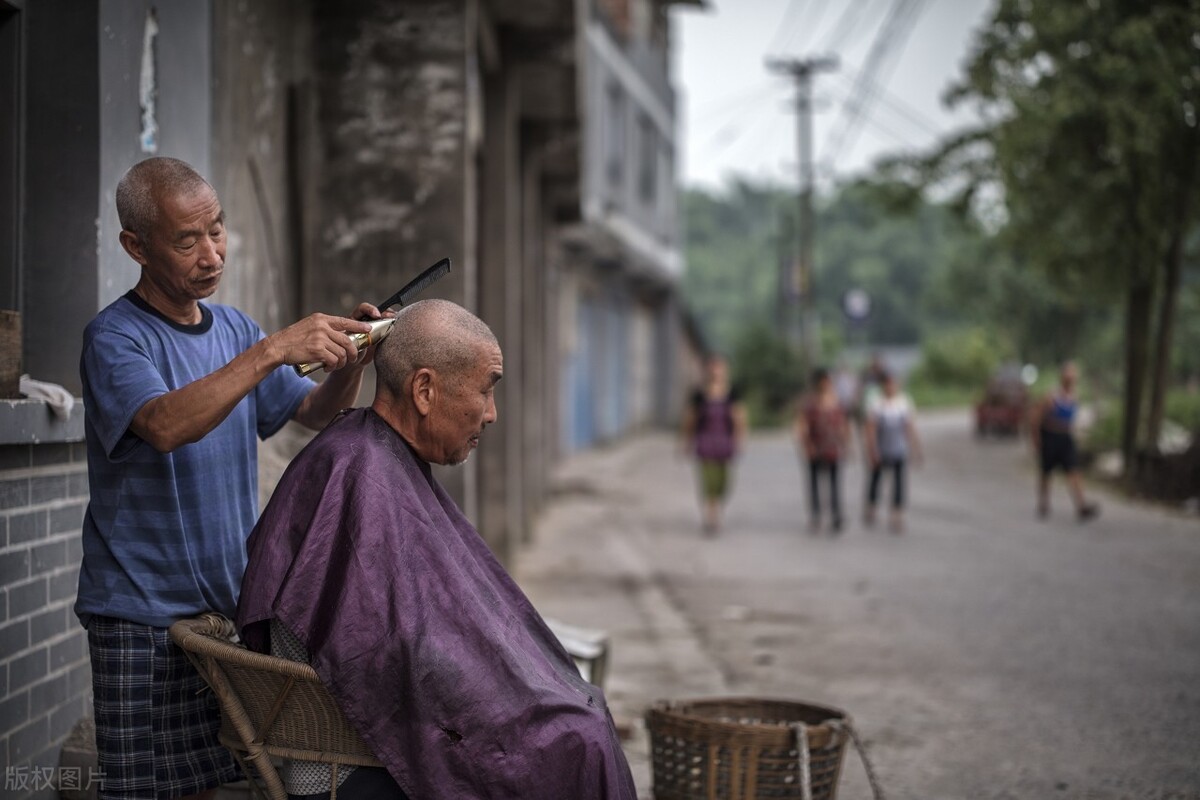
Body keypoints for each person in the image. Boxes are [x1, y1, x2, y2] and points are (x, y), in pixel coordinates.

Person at [236, 300, 638, 800]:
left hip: (373, 721)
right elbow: (388, 648)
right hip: (348, 758)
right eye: (487, 389)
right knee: (576, 742)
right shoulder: (355, 470)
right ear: (424, 390)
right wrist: (509, 695)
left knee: (578, 713)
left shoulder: (373, 455)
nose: (491, 415)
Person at [77, 156, 386, 800]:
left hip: (225, 612)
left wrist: (351, 360)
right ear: (136, 246)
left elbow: (308, 413)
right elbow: (164, 424)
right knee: (141, 790)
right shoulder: (115, 337)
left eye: (216, 230)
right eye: (187, 241)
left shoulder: (236, 330)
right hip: (139, 614)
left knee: (215, 786)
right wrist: (272, 349)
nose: (212, 254)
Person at [680, 355, 747, 534]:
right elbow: (690, 420)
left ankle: (716, 506)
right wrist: (686, 441)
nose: (716, 372)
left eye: (720, 368)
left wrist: (739, 439)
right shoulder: (699, 395)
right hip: (705, 442)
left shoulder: (732, 394)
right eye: (713, 368)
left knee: (723, 483)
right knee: (708, 481)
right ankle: (712, 517)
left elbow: (739, 418)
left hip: (724, 443)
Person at [1031, 361, 1099, 521]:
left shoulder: (1074, 396)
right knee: (1046, 472)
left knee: (1073, 470)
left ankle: (1081, 505)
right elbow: (1036, 419)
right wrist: (1036, 440)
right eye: (1068, 374)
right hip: (1050, 436)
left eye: (1073, 374)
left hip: (1066, 438)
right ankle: (1043, 503)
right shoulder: (1051, 397)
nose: (1071, 377)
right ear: (1062, 377)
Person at [863, 372, 923, 533]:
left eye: (893, 384)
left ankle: (896, 514)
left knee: (899, 483)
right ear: (884, 386)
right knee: (876, 479)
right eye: (888, 384)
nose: (891, 387)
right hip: (881, 448)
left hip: (898, 449)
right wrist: (872, 449)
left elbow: (909, 427)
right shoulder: (876, 404)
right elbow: (871, 428)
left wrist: (915, 448)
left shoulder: (903, 403)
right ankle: (872, 506)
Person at [795, 368, 850, 533]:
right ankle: (815, 514)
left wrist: (846, 443)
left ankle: (836, 514)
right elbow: (802, 426)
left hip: (832, 447)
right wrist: (807, 445)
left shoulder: (836, 402)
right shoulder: (810, 403)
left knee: (834, 483)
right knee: (814, 483)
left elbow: (843, 425)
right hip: (816, 447)